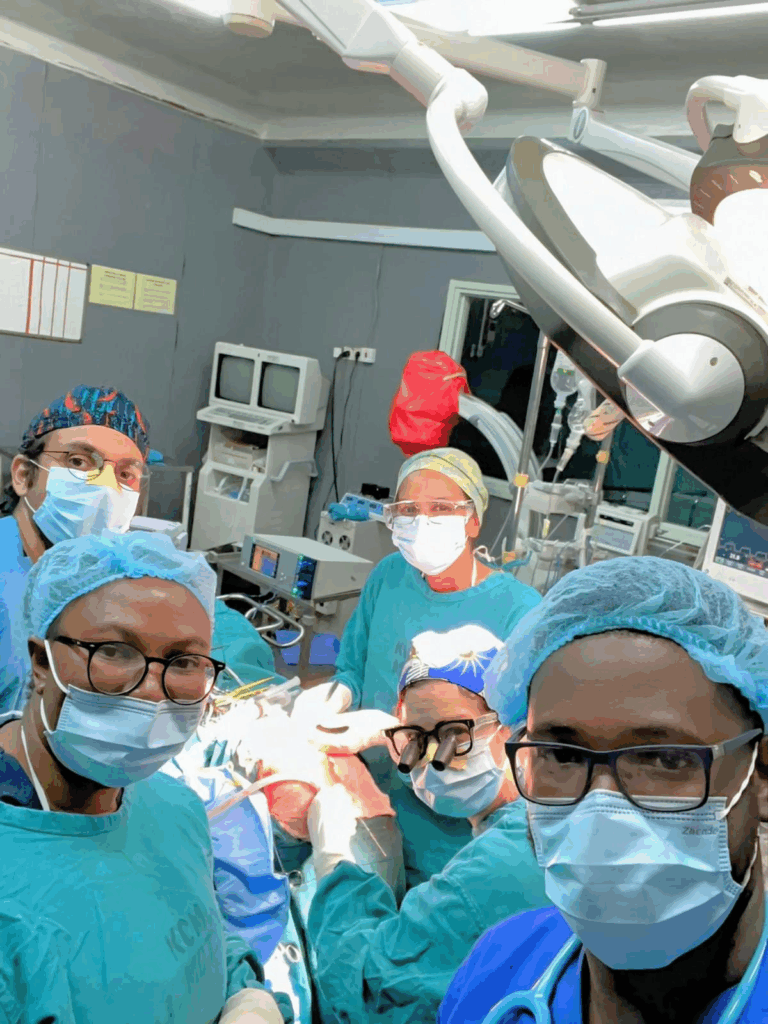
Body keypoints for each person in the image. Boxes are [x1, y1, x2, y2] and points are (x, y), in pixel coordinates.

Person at [439, 556, 768, 1024]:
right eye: (562, 755)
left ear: (762, 774)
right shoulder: (499, 966)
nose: (601, 815)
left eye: (664, 759)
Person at [0, 530, 289, 1023]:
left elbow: (193, 935)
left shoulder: (173, 807)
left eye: (185, 661)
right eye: (114, 651)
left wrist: (247, 998)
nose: (154, 691)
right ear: (39, 661)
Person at [292, 448, 542, 885]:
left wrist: (384, 731)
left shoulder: (519, 613)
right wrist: (340, 695)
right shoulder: (389, 577)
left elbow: (507, 750)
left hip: (450, 839)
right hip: (369, 803)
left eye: (441, 509)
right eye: (409, 510)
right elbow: (353, 666)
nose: (422, 521)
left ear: (473, 521)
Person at [305, 623, 549, 1024]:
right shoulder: (527, 821)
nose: (434, 759)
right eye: (415, 738)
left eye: (454, 734)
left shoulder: (504, 860)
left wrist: (341, 866)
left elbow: (368, 991)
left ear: (514, 728)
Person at [0, 384, 282, 715]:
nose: (105, 487)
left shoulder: (107, 566)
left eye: (125, 473)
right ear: (23, 475)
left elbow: (204, 621)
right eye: (79, 461)